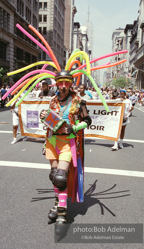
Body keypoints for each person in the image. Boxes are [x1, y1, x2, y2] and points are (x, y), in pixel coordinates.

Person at [40, 70, 92, 235]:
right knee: (54, 175)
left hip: (67, 144)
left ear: (71, 83)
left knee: (61, 177)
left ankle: (62, 213)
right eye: (60, 82)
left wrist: (74, 127)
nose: (63, 86)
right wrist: (44, 117)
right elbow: (50, 121)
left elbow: (87, 121)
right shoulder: (53, 100)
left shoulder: (79, 101)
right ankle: (57, 204)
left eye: (66, 82)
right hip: (52, 141)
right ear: (56, 83)